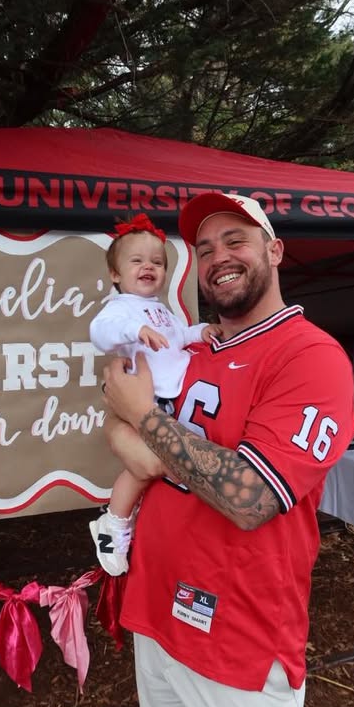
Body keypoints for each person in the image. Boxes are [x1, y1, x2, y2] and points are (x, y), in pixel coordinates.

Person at [100, 192, 354, 707]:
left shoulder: (310, 356)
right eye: (205, 247)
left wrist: (146, 423)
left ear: (275, 250)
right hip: (156, 605)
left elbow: (250, 499)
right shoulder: (189, 349)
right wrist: (144, 434)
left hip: (239, 634)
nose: (219, 257)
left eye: (236, 240)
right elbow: (113, 422)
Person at [88, 213, 222, 575]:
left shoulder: (163, 311)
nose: (149, 266)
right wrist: (135, 330)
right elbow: (100, 333)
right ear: (115, 274)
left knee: (165, 467)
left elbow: (178, 338)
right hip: (149, 402)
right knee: (141, 469)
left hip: (174, 402)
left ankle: (128, 521)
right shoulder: (120, 308)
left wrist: (199, 333)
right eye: (137, 261)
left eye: (157, 262)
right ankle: (113, 524)